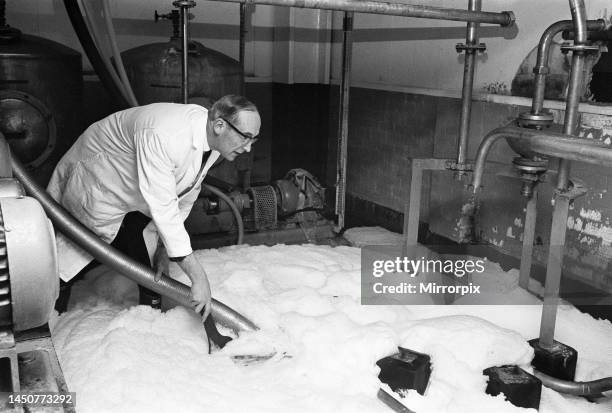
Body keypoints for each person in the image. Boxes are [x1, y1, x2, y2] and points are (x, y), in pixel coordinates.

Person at [48, 95, 261, 322]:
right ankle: (47, 319)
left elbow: (188, 193)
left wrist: (163, 250)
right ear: (219, 125)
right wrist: (198, 278)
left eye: (254, 140)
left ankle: (150, 321)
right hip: (99, 179)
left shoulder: (212, 140)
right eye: (245, 137)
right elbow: (164, 207)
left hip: (134, 189)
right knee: (71, 253)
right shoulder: (166, 134)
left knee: (147, 259)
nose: (248, 148)